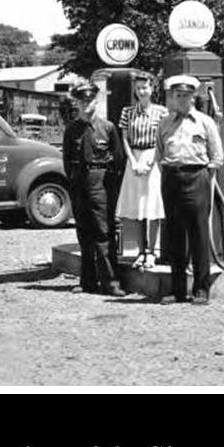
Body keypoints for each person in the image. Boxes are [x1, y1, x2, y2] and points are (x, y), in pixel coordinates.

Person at [156, 75, 224, 306]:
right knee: (174, 235)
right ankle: (177, 290)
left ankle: (201, 289)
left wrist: (206, 177)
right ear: (172, 97)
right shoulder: (165, 123)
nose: (182, 99)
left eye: (186, 95)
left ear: (193, 96)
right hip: (171, 177)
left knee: (198, 234)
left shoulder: (205, 122)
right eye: (177, 95)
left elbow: (217, 156)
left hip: (197, 177)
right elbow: (159, 155)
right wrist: (169, 174)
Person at [62, 84, 126, 297]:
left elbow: (118, 161)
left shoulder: (107, 128)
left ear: (95, 102)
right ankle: (87, 281)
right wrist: (73, 185)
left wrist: (110, 189)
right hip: (79, 183)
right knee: (84, 232)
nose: (85, 104)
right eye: (81, 101)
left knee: (103, 231)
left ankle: (111, 282)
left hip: (101, 182)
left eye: (89, 100)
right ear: (77, 103)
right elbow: (67, 162)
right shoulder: (72, 130)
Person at [116, 74, 168, 270]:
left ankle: (152, 252)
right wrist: (133, 162)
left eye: (145, 87)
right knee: (138, 207)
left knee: (152, 207)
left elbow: (162, 140)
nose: (142, 91)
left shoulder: (161, 112)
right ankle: (139, 251)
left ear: (152, 89)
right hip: (134, 159)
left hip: (152, 159)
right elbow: (125, 140)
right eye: (138, 88)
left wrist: (150, 162)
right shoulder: (127, 112)